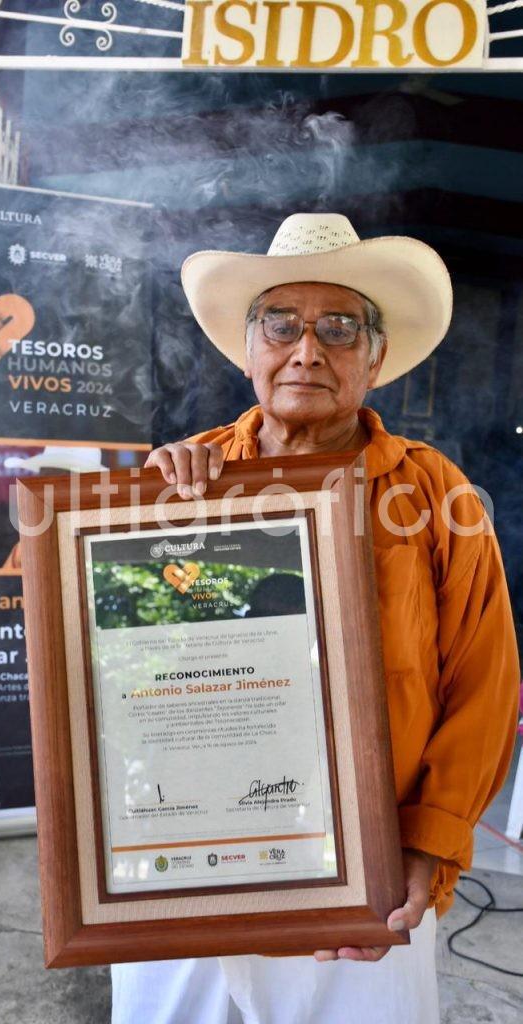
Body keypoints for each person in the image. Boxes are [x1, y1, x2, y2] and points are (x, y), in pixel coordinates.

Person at [111, 213, 520, 1024]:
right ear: (252, 348)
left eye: (339, 328)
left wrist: (426, 843)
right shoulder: (182, 478)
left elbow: (484, 681)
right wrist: (134, 512)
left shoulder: (437, 494)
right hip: (184, 865)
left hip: (362, 877)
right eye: (282, 325)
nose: (308, 351)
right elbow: (70, 629)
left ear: (375, 357)